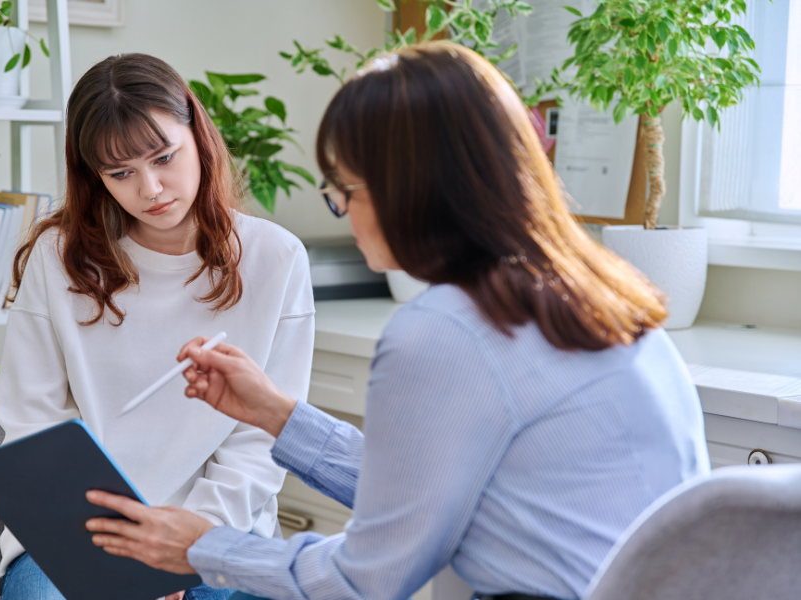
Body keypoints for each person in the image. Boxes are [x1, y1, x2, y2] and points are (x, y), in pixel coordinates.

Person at [84, 42, 711, 600]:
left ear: (410, 189)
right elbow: (424, 491)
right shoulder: (590, 290)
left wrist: (200, 547)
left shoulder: (443, 330)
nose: (344, 215)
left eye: (346, 193)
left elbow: (368, 577)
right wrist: (277, 414)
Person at [0, 53, 315, 600]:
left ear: (198, 132)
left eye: (164, 157)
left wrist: (181, 546)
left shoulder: (275, 258)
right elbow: (31, 426)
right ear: (95, 177)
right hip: (79, 534)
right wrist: (119, 554)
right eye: (121, 173)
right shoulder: (58, 258)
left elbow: (259, 444)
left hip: (215, 534)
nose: (151, 189)